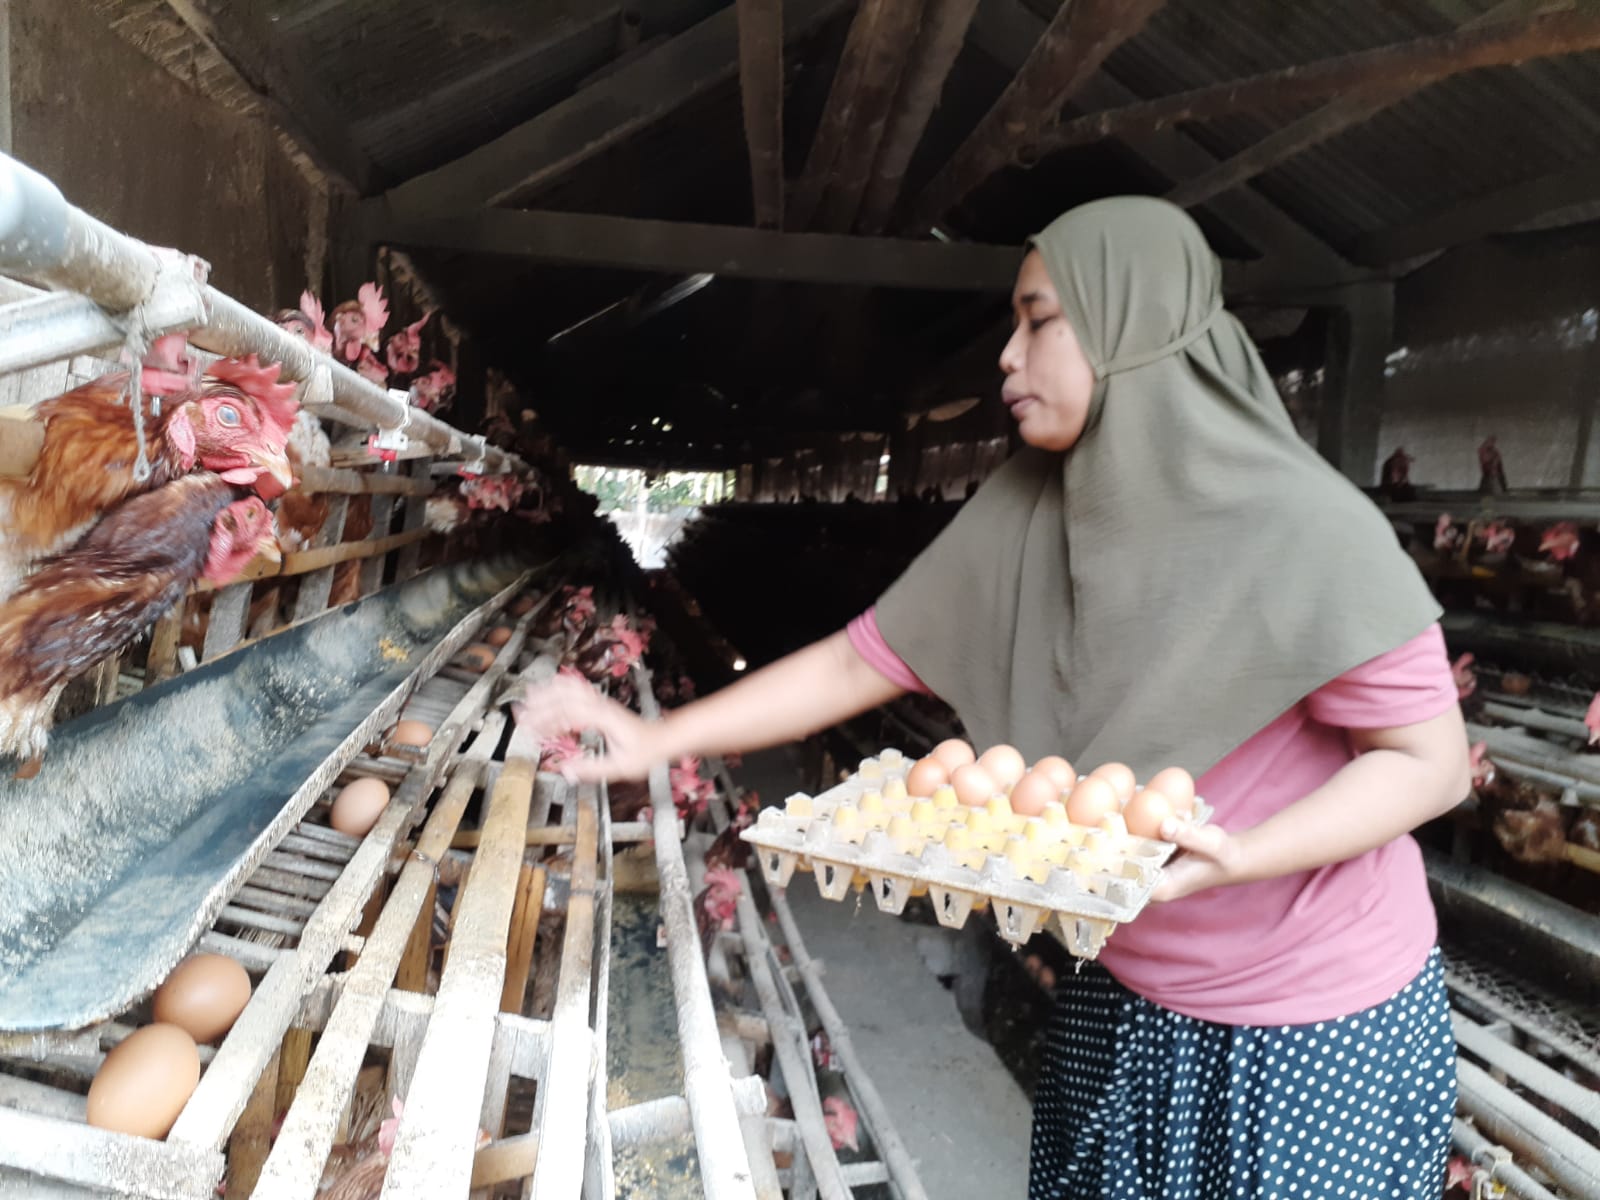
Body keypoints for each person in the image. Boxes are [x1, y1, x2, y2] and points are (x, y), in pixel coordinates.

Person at [514, 197, 1470, 1200]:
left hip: (1311, 1028)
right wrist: (653, 736)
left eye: (1039, 320)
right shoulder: (1028, 511)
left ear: (1132, 326)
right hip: (1125, 987)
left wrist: (1245, 854)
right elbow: (857, 664)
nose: (1007, 356)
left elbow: (1431, 764)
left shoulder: (1312, 533)